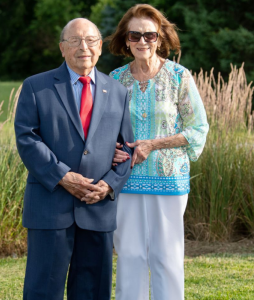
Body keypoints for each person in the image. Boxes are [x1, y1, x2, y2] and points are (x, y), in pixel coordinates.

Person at [14, 18, 133, 300]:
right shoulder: (36, 86)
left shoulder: (117, 91)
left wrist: (109, 186)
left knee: (92, 292)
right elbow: (27, 138)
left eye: (91, 40)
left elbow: (126, 149)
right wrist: (63, 176)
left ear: (100, 47)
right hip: (50, 206)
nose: (84, 47)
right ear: (62, 48)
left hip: (97, 207)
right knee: (43, 290)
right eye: (75, 41)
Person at [107, 4, 209, 300]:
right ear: (126, 40)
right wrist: (110, 150)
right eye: (135, 35)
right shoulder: (115, 80)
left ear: (160, 38)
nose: (142, 41)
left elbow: (198, 129)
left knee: (167, 256)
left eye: (149, 35)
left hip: (169, 178)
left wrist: (153, 144)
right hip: (125, 180)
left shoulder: (180, 76)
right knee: (130, 255)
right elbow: (104, 131)